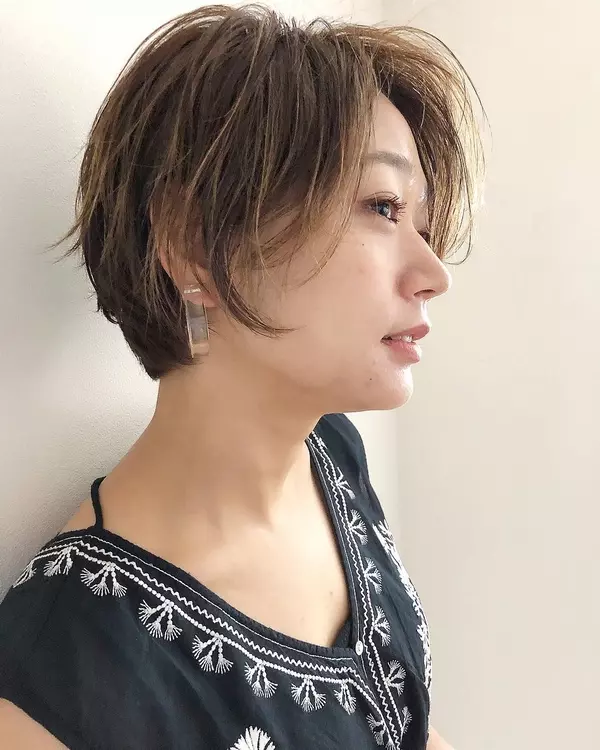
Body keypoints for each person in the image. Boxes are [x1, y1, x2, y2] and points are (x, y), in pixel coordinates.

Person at [0, 4, 482, 749]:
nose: (433, 273)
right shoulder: (70, 673)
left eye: (419, 223)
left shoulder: (331, 457)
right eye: (382, 207)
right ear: (195, 244)